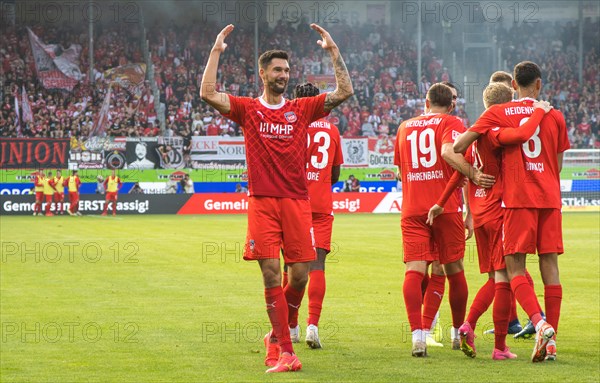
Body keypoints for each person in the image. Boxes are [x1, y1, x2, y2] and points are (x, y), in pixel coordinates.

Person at [201, 23, 353, 373]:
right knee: (271, 275)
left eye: (286, 70)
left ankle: (275, 336)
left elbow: (344, 90)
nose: (283, 75)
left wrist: (333, 51)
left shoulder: (301, 110)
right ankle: (285, 351)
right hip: (263, 203)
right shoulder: (246, 109)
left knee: (299, 275)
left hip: (298, 203)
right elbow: (208, 92)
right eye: (277, 70)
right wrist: (216, 52)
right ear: (263, 73)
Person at [454, 61, 569, 362]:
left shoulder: (498, 114)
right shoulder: (554, 115)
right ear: (539, 85)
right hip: (549, 198)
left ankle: (537, 325)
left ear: (513, 86)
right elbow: (558, 166)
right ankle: (550, 338)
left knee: (511, 269)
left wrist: (473, 174)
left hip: (515, 200)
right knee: (550, 268)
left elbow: (458, 148)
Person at [430, 82, 553, 360]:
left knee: (496, 278)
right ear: (508, 103)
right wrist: (539, 111)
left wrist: (443, 203)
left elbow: (457, 171)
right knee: (504, 279)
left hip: (480, 211)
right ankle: (491, 338)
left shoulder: (474, 133)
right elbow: (522, 135)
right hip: (499, 211)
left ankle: (480, 333)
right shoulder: (495, 132)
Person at [393, 83, 495, 357]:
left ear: (425, 102)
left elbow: (401, 173)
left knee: (414, 270)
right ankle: (455, 334)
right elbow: (450, 155)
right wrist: (473, 174)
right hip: (445, 208)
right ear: (451, 105)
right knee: (453, 270)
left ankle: (418, 336)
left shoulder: (404, 127)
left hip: (413, 208)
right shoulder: (451, 122)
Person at [281, 83, 344, 349]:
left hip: (293, 203)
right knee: (317, 265)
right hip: (320, 204)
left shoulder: (290, 125)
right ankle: (312, 326)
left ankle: (289, 326)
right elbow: (336, 174)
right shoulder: (332, 130)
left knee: (291, 267)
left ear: (297, 101)